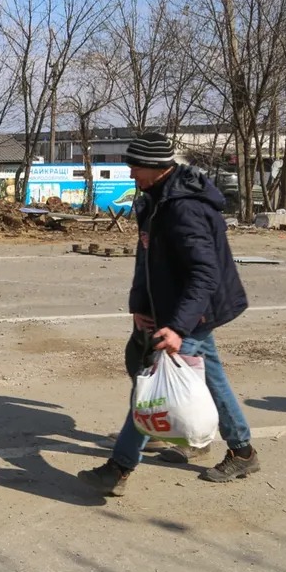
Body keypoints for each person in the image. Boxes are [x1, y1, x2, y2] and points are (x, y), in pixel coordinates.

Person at [79, 133, 258, 496]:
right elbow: (146, 259)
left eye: (136, 167)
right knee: (208, 379)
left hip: (192, 311)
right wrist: (139, 307)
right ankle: (238, 449)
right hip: (173, 308)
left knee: (153, 385)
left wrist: (177, 327)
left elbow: (204, 273)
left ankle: (118, 468)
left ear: (158, 167)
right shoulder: (154, 200)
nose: (131, 174)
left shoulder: (183, 208)